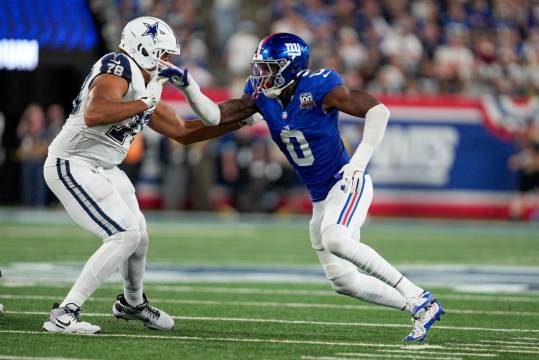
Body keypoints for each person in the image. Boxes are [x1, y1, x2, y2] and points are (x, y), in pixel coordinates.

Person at [160, 32, 444, 342]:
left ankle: (418, 296)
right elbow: (214, 116)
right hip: (321, 197)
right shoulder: (260, 96)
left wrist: (359, 162)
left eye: (269, 68)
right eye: (260, 67)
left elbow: (379, 111)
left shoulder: (319, 86)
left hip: (346, 181)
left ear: (290, 67)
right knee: (343, 281)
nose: (261, 75)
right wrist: (190, 88)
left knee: (335, 239)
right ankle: (417, 307)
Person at [43, 16, 249, 334]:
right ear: (143, 49)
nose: (166, 61)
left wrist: (236, 122)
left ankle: (133, 303)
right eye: (163, 53)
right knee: (123, 234)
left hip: (105, 167)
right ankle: (66, 312)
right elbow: (95, 114)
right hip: (72, 162)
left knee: (139, 237)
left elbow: (183, 131)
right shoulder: (118, 65)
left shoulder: (145, 84)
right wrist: (145, 102)